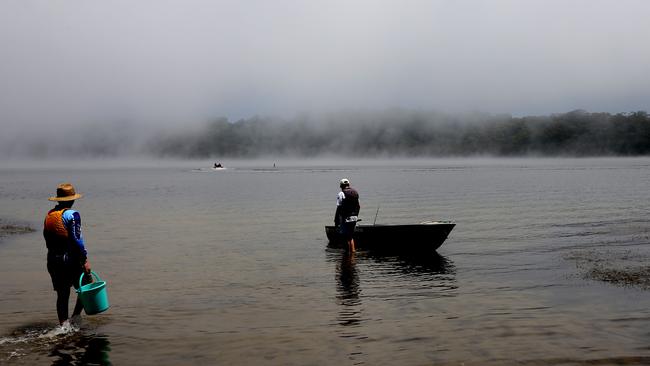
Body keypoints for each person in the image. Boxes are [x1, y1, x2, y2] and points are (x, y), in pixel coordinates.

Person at [43, 183, 92, 325]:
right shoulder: (73, 215)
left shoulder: (49, 215)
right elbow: (77, 241)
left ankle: (63, 325)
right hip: (69, 259)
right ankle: (76, 316)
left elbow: (47, 238)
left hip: (53, 259)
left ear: (58, 199)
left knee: (62, 295)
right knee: (86, 285)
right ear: (72, 199)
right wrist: (84, 260)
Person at [334, 178, 360, 253]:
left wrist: (336, 220)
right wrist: (356, 216)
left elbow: (339, 207)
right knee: (350, 237)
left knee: (345, 237)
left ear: (341, 186)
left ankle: (347, 254)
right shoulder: (355, 192)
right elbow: (359, 206)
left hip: (345, 218)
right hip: (354, 217)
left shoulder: (341, 193)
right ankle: (353, 253)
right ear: (349, 185)